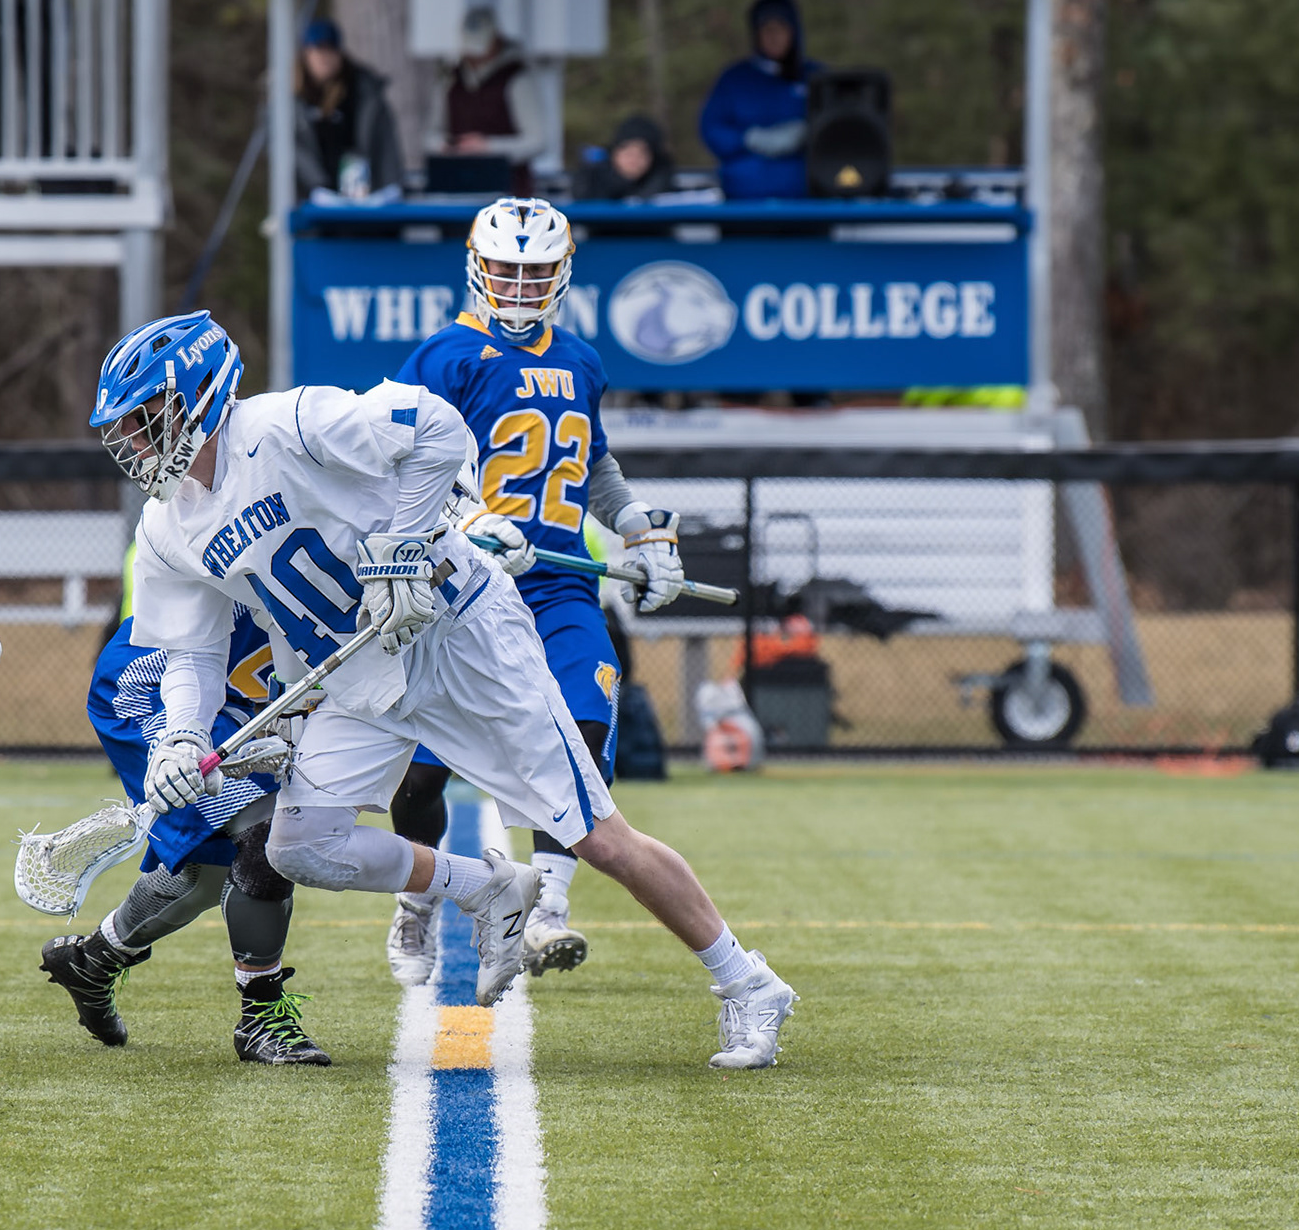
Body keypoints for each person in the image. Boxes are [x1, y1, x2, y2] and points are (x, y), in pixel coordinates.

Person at [87, 309, 797, 1069]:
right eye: (124, 425)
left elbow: (437, 426)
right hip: (360, 671)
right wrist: (181, 737)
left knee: (597, 835)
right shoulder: (167, 529)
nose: (133, 440)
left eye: (145, 417)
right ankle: (486, 889)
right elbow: (191, 656)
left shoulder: (289, 424)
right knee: (300, 846)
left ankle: (748, 984)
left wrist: (404, 544)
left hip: (461, 635)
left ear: (198, 395)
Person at [384, 197, 687, 984]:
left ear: (561, 273)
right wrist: (464, 518)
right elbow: (393, 464)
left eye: (536, 273)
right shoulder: (445, 356)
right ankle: (416, 902)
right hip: (459, 586)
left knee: (584, 731)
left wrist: (640, 531)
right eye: (507, 271)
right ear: (478, 268)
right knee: (423, 771)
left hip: (558, 586)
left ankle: (546, 908)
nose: (519, 288)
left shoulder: (582, 360)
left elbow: (594, 466)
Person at [38, 600, 329, 1066]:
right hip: (156, 681)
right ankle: (261, 1016)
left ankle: (93, 961)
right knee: (265, 828)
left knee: (209, 875)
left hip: (235, 693)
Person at [699, 0, 821, 200]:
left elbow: (842, 125)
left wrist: (809, 132)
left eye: (780, 28)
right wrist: (749, 138)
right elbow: (711, 127)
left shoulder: (815, 77)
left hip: (805, 198)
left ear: (793, 31)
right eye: (766, 29)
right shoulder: (735, 79)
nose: (773, 37)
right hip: (745, 200)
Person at [425, 7, 547, 197]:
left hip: (508, 196)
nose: (475, 57)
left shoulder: (516, 79)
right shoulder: (451, 81)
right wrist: (449, 147)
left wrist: (488, 147)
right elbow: (430, 135)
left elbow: (538, 141)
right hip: (456, 193)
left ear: (496, 41)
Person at [294, 18, 405, 201]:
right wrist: (317, 188)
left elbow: (386, 147)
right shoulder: (292, 102)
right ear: (306, 54)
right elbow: (294, 155)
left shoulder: (362, 93)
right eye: (318, 50)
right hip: (312, 201)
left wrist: (389, 188)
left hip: (364, 197)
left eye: (330, 50)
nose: (324, 58)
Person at [574, 115, 676, 201]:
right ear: (614, 153)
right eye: (627, 152)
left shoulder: (663, 191)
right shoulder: (591, 184)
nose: (634, 159)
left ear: (653, 158)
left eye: (642, 153)